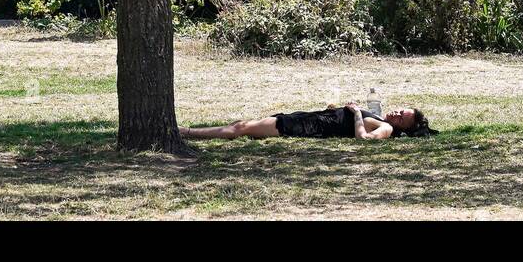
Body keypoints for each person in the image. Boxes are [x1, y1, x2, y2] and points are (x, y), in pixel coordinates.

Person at [180, 102, 436, 141]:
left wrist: (356, 113)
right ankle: (189, 131)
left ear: (403, 127)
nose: (398, 115)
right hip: (314, 118)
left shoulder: (387, 128)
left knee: (242, 128)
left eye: (403, 118)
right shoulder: (380, 115)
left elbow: (364, 139)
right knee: (243, 123)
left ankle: (187, 133)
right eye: (402, 111)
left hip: (312, 128)